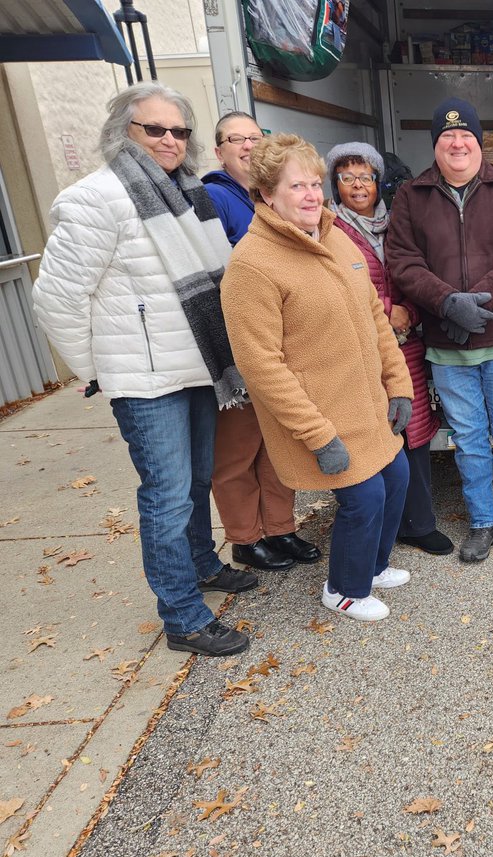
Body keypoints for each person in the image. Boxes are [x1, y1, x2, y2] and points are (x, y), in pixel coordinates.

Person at [31, 83, 256, 657]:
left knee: (197, 479)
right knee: (167, 495)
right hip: (145, 380)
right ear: (122, 133)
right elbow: (56, 300)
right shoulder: (97, 199)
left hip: (198, 368)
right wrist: (100, 369)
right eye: (154, 129)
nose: (169, 140)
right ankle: (183, 618)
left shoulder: (189, 194)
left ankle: (203, 564)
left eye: (179, 131)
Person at [222, 134, 415, 623]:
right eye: (296, 187)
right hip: (322, 415)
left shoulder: (332, 235)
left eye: (314, 184)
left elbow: (374, 314)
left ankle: (371, 567)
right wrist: (317, 433)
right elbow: (261, 365)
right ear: (267, 194)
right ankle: (344, 589)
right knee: (364, 495)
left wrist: (399, 384)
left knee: (397, 477)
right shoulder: (252, 265)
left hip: (367, 403)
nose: (312, 196)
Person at [387, 98, 493, 564]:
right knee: (471, 441)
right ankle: (483, 522)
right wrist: (446, 304)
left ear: (479, 142)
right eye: (447, 136)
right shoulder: (411, 196)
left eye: (466, 136)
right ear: (435, 145)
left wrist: (479, 303)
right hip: (447, 348)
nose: (457, 143)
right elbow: (403, 260)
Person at [203, 112, 321, 572]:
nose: (248, 146)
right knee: (238, 451)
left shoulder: (275, 198)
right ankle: (244, 537)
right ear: (219, 150)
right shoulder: (212, 196)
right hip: (235, 343)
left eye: (255, 137)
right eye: (237, 139)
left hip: (281, 338)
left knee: (277, 445)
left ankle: (280, 528)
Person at [325, 141, 453, 556]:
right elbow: (335, 290)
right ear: (335, 183)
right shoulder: (329, 231)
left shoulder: (399, 223)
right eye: (347, 177)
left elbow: (420, 276)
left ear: (380, 182)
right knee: (369, 432)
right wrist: (385, 310)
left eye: (366, 176)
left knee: (411, 430)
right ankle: (377, 525)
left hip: (405, 342)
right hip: (359, 345)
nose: (358, 185)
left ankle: (418, 523)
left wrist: (410, 313)